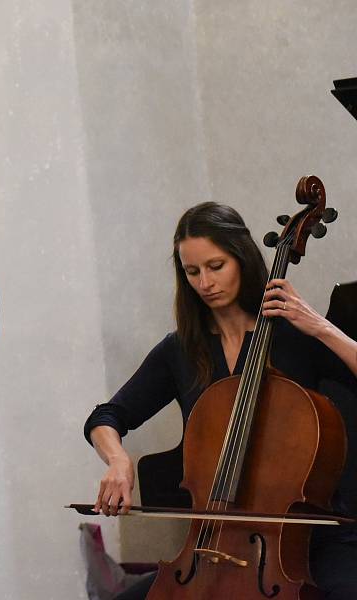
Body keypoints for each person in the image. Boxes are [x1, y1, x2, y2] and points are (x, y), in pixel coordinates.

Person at [84, 202, 357, 600]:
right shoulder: (182, 350)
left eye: (216, 266)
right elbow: (107, 416)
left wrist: (321, 327)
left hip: (315, 544)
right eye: (192, 272)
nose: (204, 282)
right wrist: (117, 461)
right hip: (214, 548)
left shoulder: (296, 337)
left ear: (242, 259)